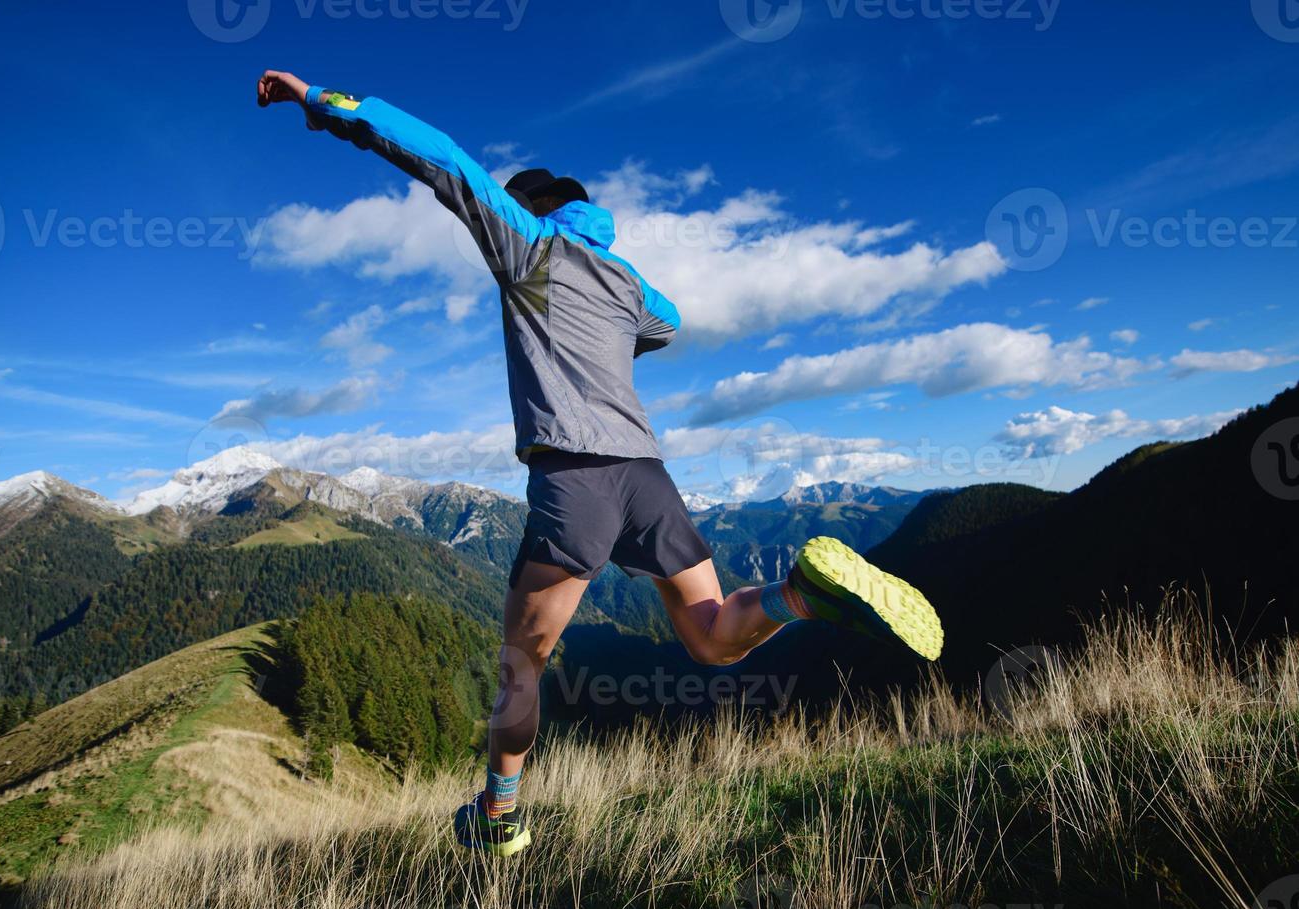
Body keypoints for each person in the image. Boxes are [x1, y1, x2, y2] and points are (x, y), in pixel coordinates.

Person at [256, 70, 944, 857]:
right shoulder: (623, 282)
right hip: (647, 476)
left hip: (573, 477)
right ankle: (800, 595)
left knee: (522, 667)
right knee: (713, 636)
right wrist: (616, 313)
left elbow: (442, 158)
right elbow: (672, 319)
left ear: (533, 210)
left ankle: (500, 817)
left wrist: (319, 102)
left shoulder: (528, 248)